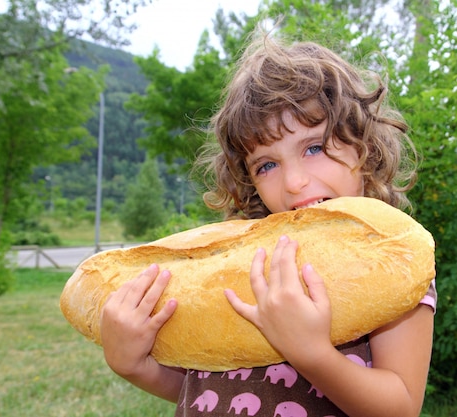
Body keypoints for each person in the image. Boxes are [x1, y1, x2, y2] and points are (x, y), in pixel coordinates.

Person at [100, 33, 436, 417]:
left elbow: (400, 407)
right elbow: (203, 388)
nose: (293, 182)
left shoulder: (390, 264)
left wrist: (311, 353)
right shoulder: (246, 263)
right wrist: (135, 366)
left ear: (364, 147)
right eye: (267, 165)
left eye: (313, 147)